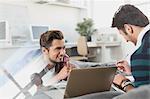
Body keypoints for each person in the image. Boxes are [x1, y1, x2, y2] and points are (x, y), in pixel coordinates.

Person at [111, 4, 150, 92]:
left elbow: (141, 96)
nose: (126, 40)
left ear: (128, 29)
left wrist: (123, 82)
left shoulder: (141, 54)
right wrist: (133, 71)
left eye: (123, 35)